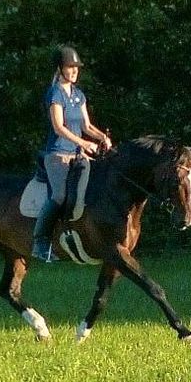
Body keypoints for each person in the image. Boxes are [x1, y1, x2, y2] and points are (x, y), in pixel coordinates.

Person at [32, 45, 112, 262]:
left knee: (86, 195)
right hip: (58, 155)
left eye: (77, 67)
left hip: (79, 156)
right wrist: (84, 143)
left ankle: (77, 237)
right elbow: (59, 127)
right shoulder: (55, 93)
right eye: (70, 67)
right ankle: (40, 242)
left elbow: (86, 125)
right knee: (58, 196)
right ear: (60, 68)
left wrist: (101, 138)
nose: (75, 71)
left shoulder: (78, 95)